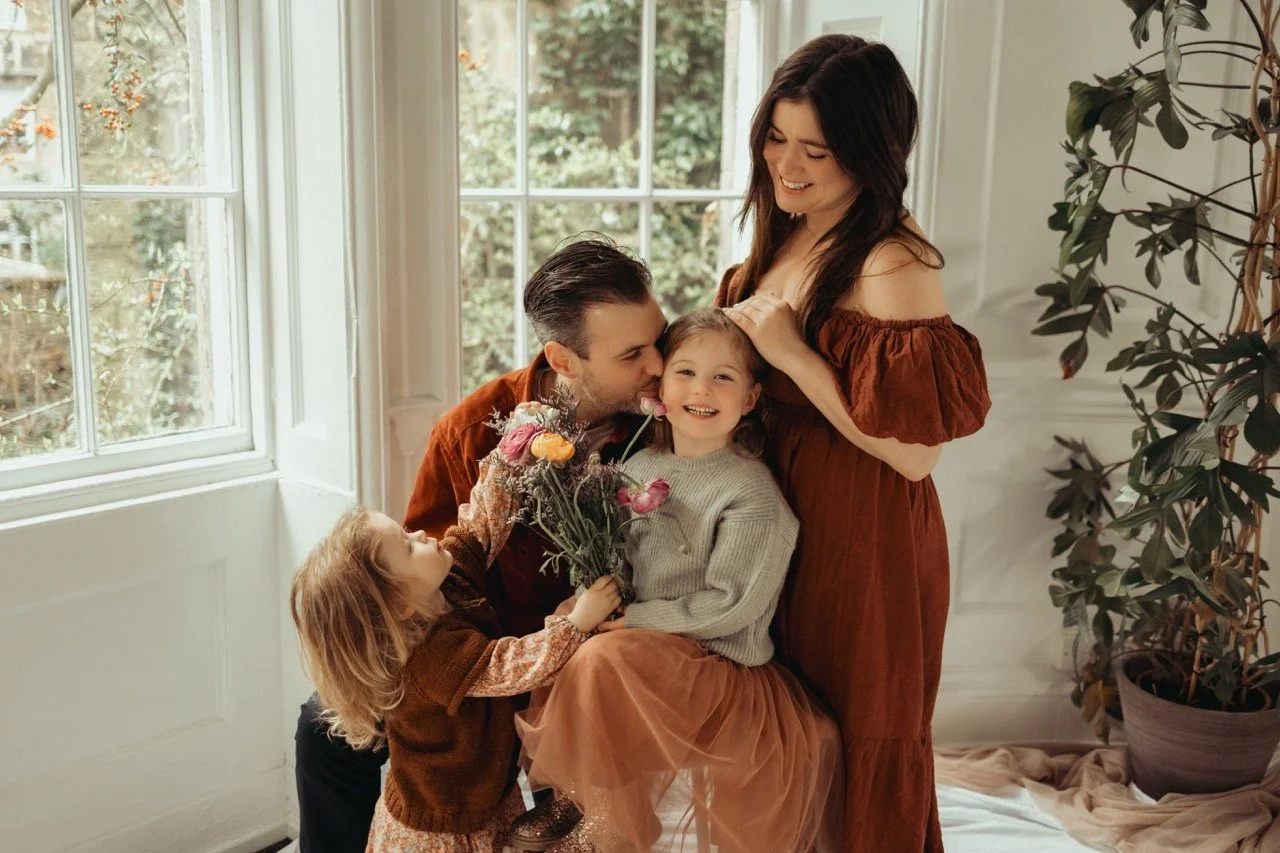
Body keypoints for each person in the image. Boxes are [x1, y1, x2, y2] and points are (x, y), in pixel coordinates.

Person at [292, 235, 667, 852]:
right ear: (564, 359)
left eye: (660, 339)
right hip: (472, 656)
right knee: (322, 726)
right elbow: (431, 565)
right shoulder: (471, 431)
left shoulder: (667, 421)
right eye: (632, 354)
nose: (657, 365)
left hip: (591, 648)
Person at [717, 35, 992, 851]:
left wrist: (794, 354)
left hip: (864, 533)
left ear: (871, 152)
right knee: (788, 731)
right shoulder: (791, 227)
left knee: (860, 729)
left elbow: (916, 455)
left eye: (817, 150)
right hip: (780, 513)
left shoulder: (891, 261)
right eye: (777, 138)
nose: (787, 165)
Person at [513, 308, 843, 853]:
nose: (702, 389)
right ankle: (579, 792)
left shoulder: (749, 491)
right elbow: (619, 560)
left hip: (714, 664)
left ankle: (611, 824)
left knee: (604, 659)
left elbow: (733, 604)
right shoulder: (638, 466)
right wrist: (593, 603)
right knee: (568, 631)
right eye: (685, 372)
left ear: (751, 398)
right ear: (660, 389)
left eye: (723, 377)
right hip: (649, 648)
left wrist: (634, 620)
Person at [290, 466, 624, 851]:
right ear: (399, 605)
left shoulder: (445, 584)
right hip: (442, 827)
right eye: (408, 546)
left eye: (406, 532)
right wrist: (577, 623)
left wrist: (508, 460)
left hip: (485, 797)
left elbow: (479, 527)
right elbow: (510, 667)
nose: (419, 534)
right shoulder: (429, 657)